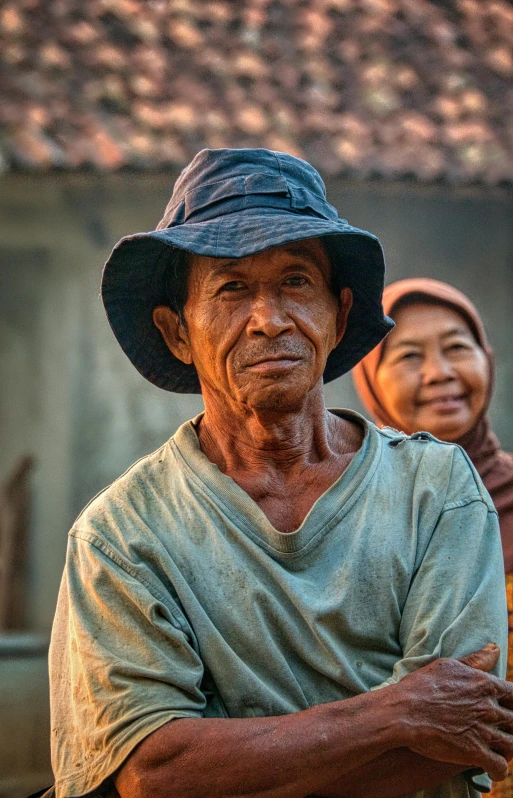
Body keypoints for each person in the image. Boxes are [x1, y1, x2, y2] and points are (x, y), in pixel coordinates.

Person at [43, 150, 513, 798]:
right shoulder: (120, 537)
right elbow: (154, 772)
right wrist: (392, 713)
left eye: (295, 281)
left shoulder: (437, 492)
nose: (269, 318)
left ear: (338, 314)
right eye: (231, 288)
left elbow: (462, 736)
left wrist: (240, 765)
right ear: (176, 331)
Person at [352, 276, 513, 797]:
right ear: (371, 383)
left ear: (486, 358)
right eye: (409, 356)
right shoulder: (350, 522)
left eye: (456, 348)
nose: (440, 373)